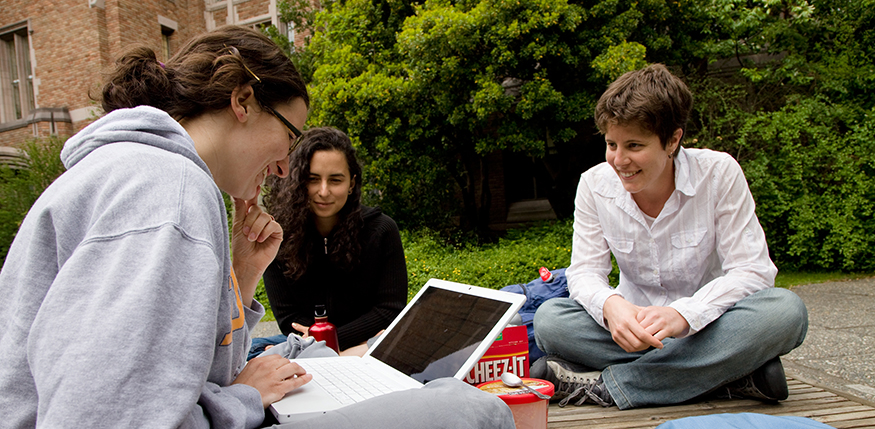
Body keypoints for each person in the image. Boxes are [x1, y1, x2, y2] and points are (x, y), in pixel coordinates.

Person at [0, 25, 514, 429]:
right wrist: (246, 398)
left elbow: (177, 379)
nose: (284, 169)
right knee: (471, 410)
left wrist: (241, 276)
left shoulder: (141, 174)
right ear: (242, 101)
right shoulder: (168, 188)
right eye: (289, 140)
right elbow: (109, 418)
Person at [531, 64, 809, 410]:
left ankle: (611, 386)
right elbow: (585, 272)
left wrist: (682, 315)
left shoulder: (719, 174)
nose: (619, 160)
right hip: (632, 333)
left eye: (634, 145)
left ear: (673, 140)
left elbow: (753, 271)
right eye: (611, 144)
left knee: (786, 313)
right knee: (550, 321)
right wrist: (611, 307)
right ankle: (728, 375)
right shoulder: (593, 184)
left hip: (710, 326)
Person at [249, 127, 407, 359]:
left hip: (364, 341)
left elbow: (389, 309)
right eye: (313, 180)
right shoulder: (278, 235)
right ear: (299, 181)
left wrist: (330, 343)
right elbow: (287, 317)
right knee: (251, 350)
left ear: (351, 184)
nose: (324, 191)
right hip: (306, 343)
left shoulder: (382, 230)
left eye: (335, 180)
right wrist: (320, 346)